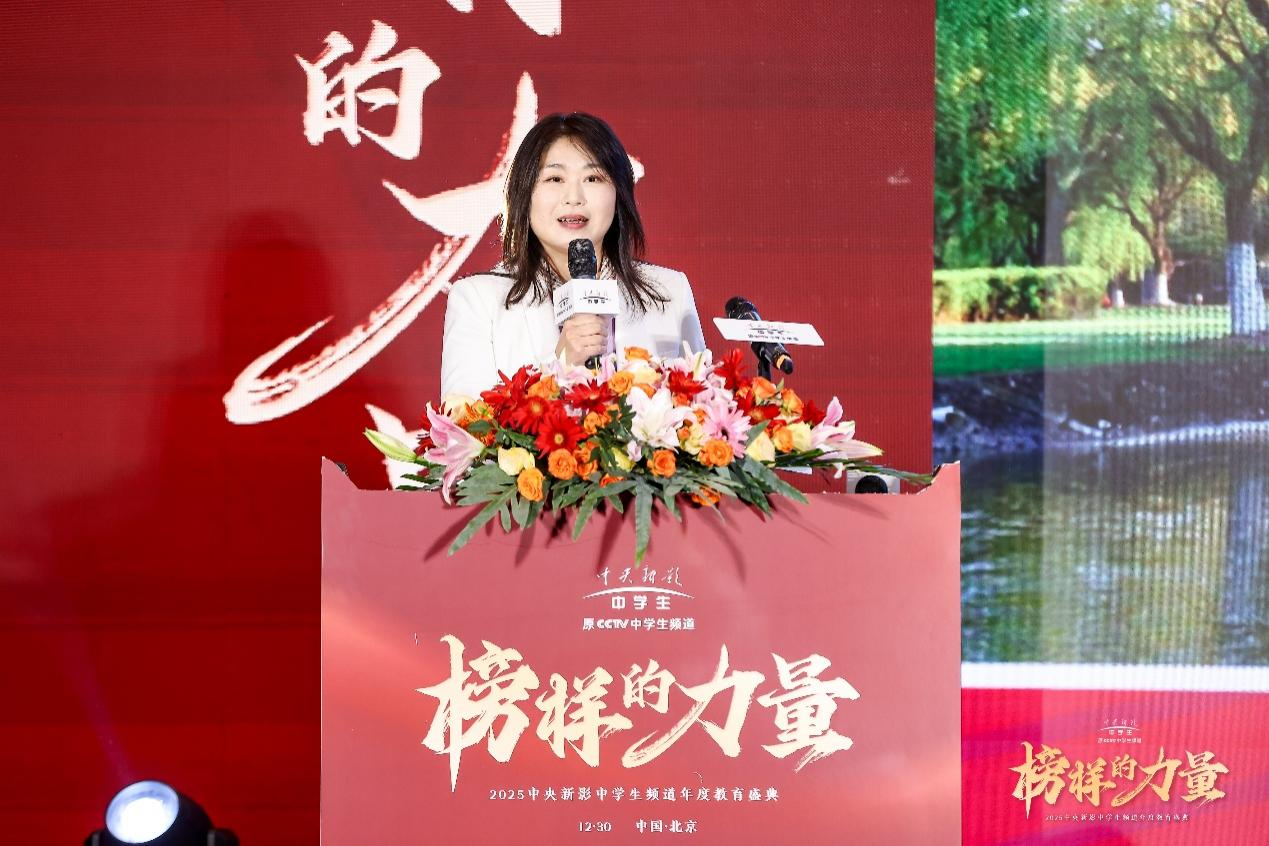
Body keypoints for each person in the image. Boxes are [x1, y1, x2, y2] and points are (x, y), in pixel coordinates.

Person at [440, 112, 706, 401]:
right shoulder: (477, 301)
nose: (574, 197)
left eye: (593, 178)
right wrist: (559, 369)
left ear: (618, 193)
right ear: (524, 194)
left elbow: (701, 410)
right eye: (555, 178)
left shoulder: (670, 292)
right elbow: (463, 425)